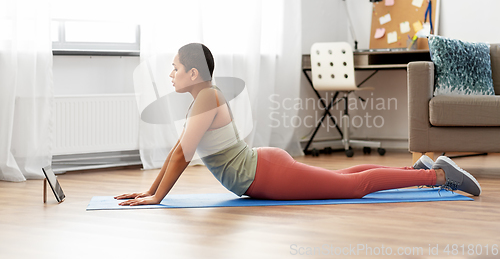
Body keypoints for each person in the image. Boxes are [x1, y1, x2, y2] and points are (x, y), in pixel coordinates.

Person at [115, 43, 481, 206]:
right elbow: (177, 152)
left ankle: (436, 177)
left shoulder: (207, 97)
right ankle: (413, 168)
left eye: (175, 68)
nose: (171, 74)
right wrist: (150, 191)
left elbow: (181, 153)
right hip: (265, 167)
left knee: (355, 187)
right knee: (346, 177)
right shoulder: (204, 97)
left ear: (194, 73)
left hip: (267, 175)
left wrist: (156, 196)